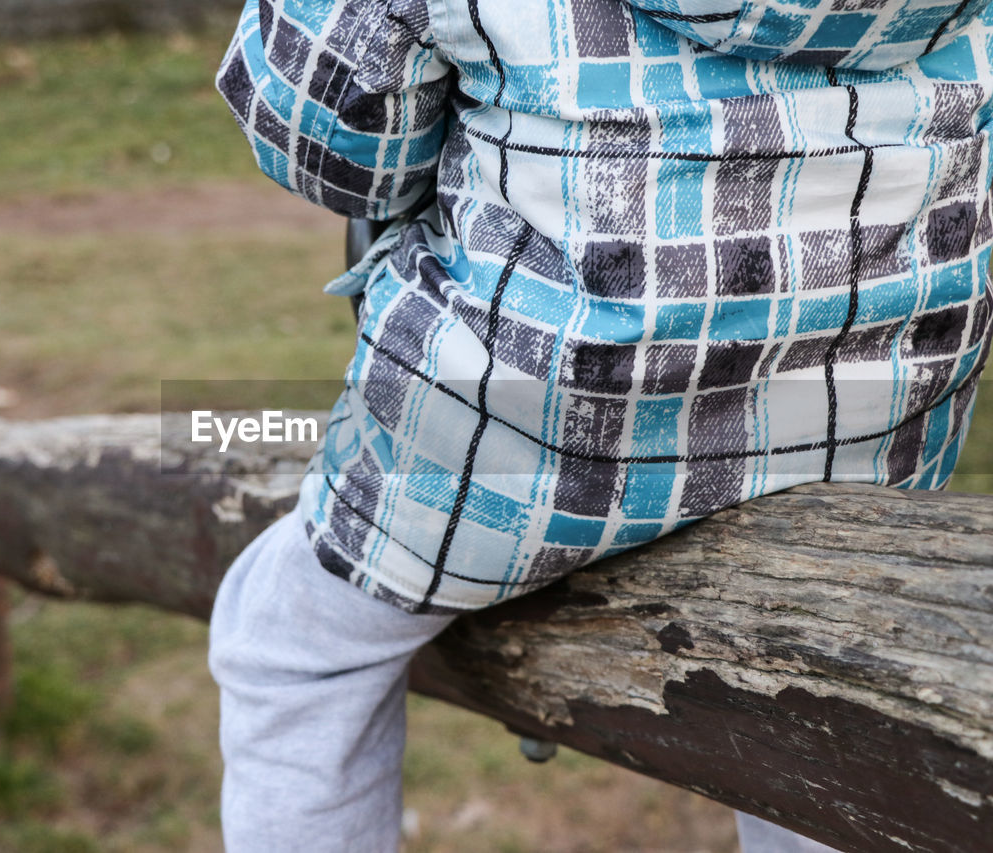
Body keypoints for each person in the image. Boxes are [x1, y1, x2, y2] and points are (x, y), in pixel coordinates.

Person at [209, 0, 993, 850]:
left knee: (289, 647)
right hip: (863, 412)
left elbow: (321, 136)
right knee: (827, 712)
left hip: (541, 426)